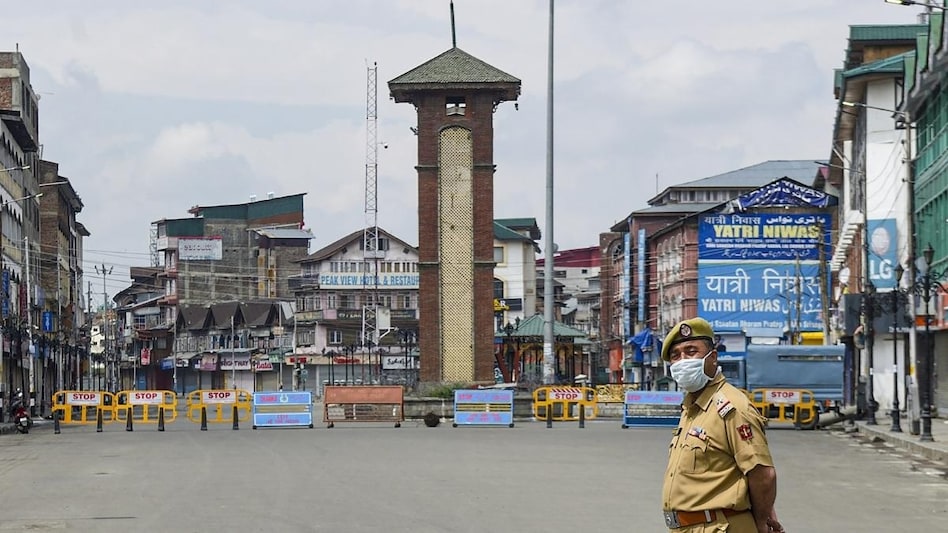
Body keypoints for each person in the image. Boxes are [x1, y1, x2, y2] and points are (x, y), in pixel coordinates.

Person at [660, 317, 783, 533]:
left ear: (712, 357)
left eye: (691, 351)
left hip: (719, 527)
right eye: (675, 355)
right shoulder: (691, 408)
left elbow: (763, 474)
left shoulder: (731, 406)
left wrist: (761, 522)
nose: (682, 361)